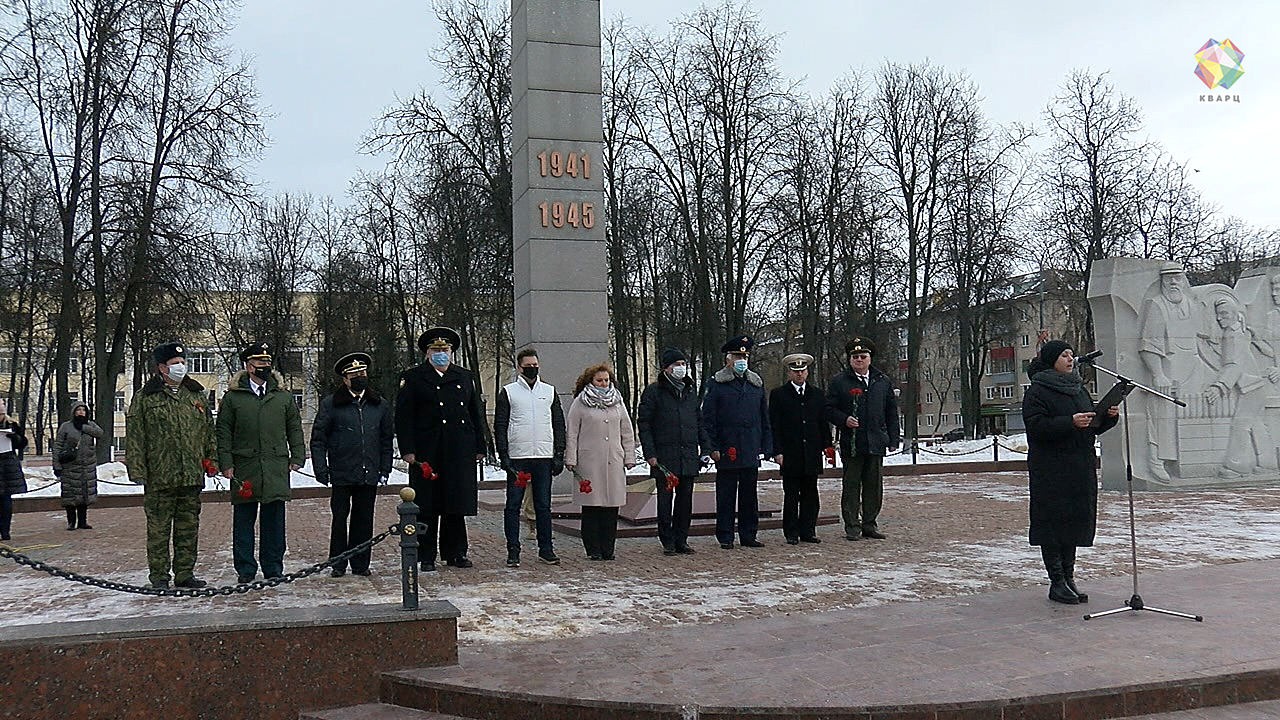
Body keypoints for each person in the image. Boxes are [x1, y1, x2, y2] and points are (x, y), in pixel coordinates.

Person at [1022, 339, 1119, 605]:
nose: (1069, 359)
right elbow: (1036, 427)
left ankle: (1069, 577)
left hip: (1079, 465)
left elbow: (1091, 425)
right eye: (1064, 355)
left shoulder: (1078, 389)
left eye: (1071, 354)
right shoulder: (1037, 391)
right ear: (1051, 360)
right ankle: (1056, 581)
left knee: (1073, 522)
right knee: (1053, 524)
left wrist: (1107, 416)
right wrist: (1069, 422)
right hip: (1051, 469)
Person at [125, 342, 217, 589]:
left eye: (182, 362)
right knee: (158, 530)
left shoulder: (195, 395)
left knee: (188, 528)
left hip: (190, 474)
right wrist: (137, 469)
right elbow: (135, 436)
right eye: (175, 363)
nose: (181, 367)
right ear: (162, 368)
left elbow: (209, 432)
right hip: (160, 476)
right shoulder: (145, 397)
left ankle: (185, 573)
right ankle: (159, 576)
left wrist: (212, 460)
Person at [395, 327, 486, 572]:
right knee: (427, 503)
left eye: (445, 349)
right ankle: (426, 554)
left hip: (458, 448)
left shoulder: (464, 376)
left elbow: (474, 413)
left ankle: (455, 551)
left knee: (455, 502)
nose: (441, 353)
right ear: (427, 353)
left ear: (451, 352)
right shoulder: (414, 377)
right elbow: (404, 417)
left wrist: (480, 445)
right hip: (428, 448)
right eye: (436, 349)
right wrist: (408, 449)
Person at [217, 341, 305, 584]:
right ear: (248, 366)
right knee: (244, 521)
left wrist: (297, 455)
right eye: (259, 362)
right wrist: (226, 462)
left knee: (274, 522)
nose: (264, 366)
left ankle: (273, 567)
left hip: (275, 466)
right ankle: (245, 568)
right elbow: (223, 432)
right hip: (245, 467)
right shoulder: (233, 398)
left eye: (267, 362)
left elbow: (294, 428)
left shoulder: (282, 397)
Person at [311, 352, 394, 577]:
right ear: (345, 379)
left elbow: (386, 439)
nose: (360, 377)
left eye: (362, 373)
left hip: (369, 471)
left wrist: (385, 468)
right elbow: (318, 439)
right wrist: (321, 468)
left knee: (364, 519)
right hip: (341, 471)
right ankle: (338, 562)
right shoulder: (331, 404)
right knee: (340, 519)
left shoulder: (379, 404)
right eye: (355, 374)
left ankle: (360, 563)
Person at [494, 347, 566, 567]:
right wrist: (504, 455)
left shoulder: (549, 391)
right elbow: (500, 425)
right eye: (528, 366)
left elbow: (558, 423)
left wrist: (559, 453)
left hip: (543, 456)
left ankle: (546, 549)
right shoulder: (509, 392)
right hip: (518, 457)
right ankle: (513, 550)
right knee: (513, 505)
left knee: (543, 505)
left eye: (535, 365)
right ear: (519, 367)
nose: (532, 369)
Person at [1138, 262, 1209, 482]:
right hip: (1168, 370)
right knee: (1163, 419)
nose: (1173, 282)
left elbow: (1204, 340)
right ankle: (1157, 460)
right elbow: (1149, 344)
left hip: (1193, 368)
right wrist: (1158, 373)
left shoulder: (1193, 305)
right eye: (1168, 278)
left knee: (1192, 415)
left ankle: (1191, 459)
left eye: (1177, 277)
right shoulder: (1157, 305)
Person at [637, 347, 711, 556]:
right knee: (665, 500)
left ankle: (682, 539)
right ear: (666, 368)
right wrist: (650, 453)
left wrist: (706, 448)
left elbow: (699, 422)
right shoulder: (654, 391)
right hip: (664, 457)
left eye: (683, 364)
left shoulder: (690, 391)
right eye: (677, 365)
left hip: (688, 456)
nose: (681, 368)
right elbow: (644, 424)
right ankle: (667, 540)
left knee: (685, 501)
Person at [825, 336, 900, 541]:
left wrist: (893, 438)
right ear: (850, 359)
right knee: (851, 486)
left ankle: (869, 523)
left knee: (873, 486)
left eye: (863, 356)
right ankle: (852, 525)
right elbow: (828, 408)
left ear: (870, 358)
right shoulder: (840, 381)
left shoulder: (882, 380)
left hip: (876, 440)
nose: (859, 360)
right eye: (855, 356)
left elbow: (891, 411)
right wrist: (844, 419)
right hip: (852, 442)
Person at [702, 335, 772, 550]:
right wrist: (712, 447)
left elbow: (764, 418)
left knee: (749, 495)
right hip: (727, 446)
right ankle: (725, 535)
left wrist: (766, 445)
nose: (741, 360)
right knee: (726, 494)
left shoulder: (755, 384)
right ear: (728, 359)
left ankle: (749, 534)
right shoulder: (717, 384)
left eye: (744, 357)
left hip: (750, 446)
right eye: (737, 356)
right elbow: (708, 419)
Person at [565, 363, 636, 560]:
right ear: (591, 381)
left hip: (613, 460)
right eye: (599, 380)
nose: (604, 384)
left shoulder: (617, 402)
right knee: (592, 506)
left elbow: (627, 431)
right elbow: (572, 432)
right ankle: (593, 548)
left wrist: (629, 456)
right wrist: (571, 458)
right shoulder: (580, 403)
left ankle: (608, 548)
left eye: (606, 380)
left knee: (611, 507)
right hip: (589, 462)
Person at [770, 353, 832, 545]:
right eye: (795, 371)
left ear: (807, 372)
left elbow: (822, 422)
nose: (799, 374)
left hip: (811, 452)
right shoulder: (779, 395)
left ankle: (808, 530)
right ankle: (791, 532)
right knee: (791, 494)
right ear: (789, 373)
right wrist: (777, 451)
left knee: (810, 494)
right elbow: (775, 425)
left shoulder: (817, 394)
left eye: (803, 370)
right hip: (790, 452)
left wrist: (827, 445)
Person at [52, 401, 104, 531]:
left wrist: (83, 427)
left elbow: (100, 433)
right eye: (78, 410)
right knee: (70, 495)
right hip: (70, 466)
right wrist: (56, 465)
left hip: (86, 467)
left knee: (84, 495)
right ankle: (71, 522)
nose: (81, 412)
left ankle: (82, 522)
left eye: (83, 410)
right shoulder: (66, 427)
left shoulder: (90, 425)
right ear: (73, 412)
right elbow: (58, 446)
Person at [0, 398, 30, 542]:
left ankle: (5, 530)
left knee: (6, 499)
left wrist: (15, 438)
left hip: (8, 465)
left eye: (2, 404)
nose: (1, 407)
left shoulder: (11, 424)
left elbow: (22, 443)